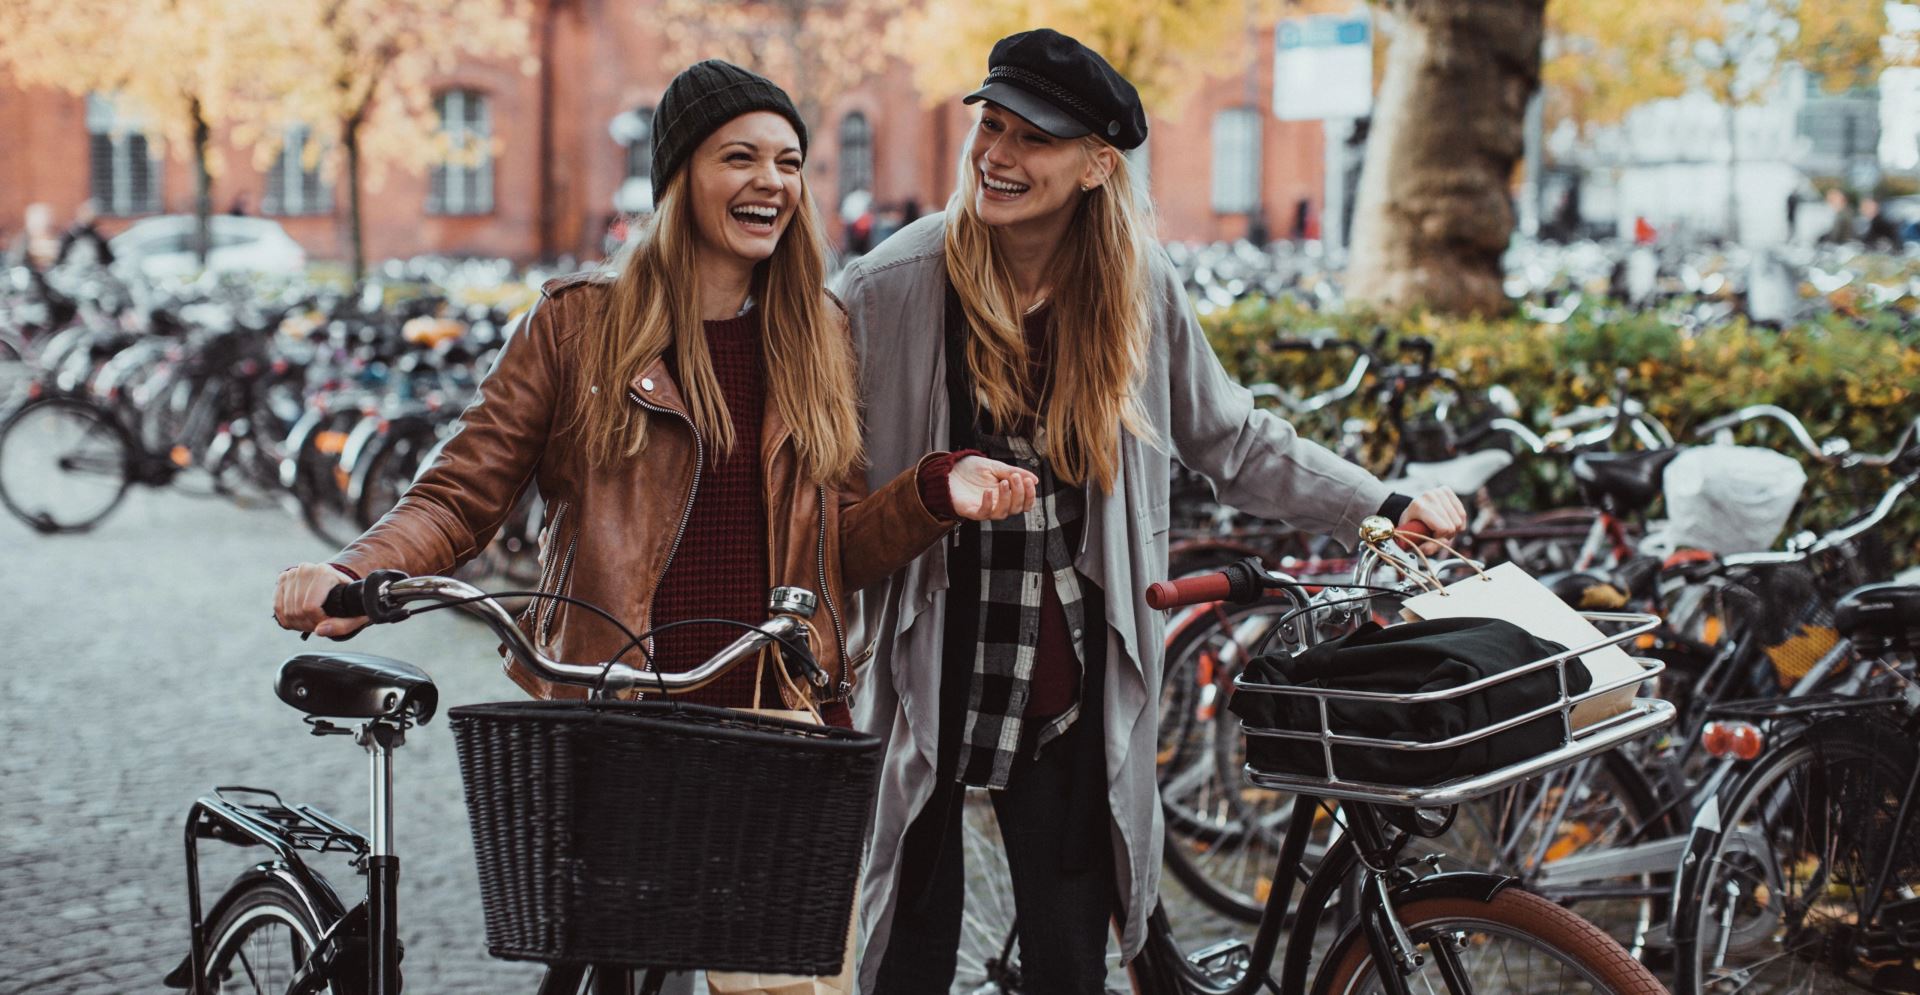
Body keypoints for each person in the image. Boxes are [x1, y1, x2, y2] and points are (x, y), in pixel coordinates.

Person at [273, 60, 1038, 992]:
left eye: (789, 162)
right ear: (678, 176)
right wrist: (355, 571)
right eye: (739, 157)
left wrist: (933, 492)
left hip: (774, 721)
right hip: (621, 720)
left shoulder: (818, 334)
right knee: (606, 971)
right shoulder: (577, 327)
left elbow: (832, 546)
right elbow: (460, 492)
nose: (771, 182)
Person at [837, 29, 1466, 992]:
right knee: (904, 956)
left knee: (1070, 960)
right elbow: (816, 467)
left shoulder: (1133, 285)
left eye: (1032, 138)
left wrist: (1378, 504)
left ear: (1098, 165)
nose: (997, 155)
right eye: (991, 126)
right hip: (932, 668)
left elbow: (1233, 439)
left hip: (1066, 683)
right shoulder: (892, 285)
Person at [56, 199, 114, 269]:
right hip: (74, 268)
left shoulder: (98, 234)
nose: (87, 215)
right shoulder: (72, 233)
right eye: (85, 212)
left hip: (93, 268)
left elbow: (106, 257)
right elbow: (62, 254)